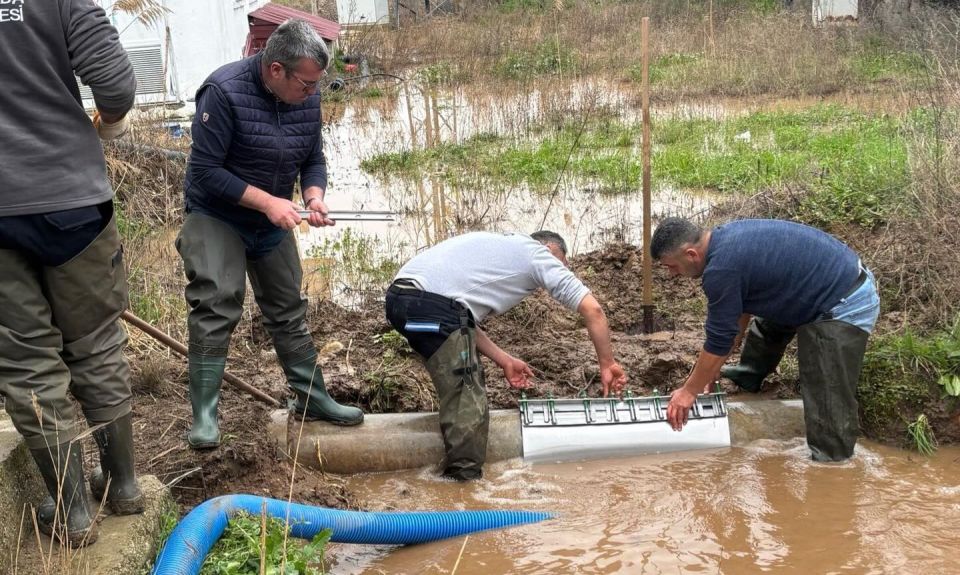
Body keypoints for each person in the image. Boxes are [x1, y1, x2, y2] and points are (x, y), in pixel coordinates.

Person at [177, 19, 363, 449]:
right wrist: (268, 202)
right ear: (276, 70)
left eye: (318, 83)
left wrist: (314, 196)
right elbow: (205, 173)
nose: (313, 92)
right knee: (216, 300)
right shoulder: (222, 93)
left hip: (273, 217)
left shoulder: (305, 96)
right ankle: (205, 416)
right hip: (216, 214)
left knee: (287, 305)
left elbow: (312, 158)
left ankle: (312, 398)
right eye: (306, 83)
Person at [0, 0, 143, 547]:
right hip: (70, 199)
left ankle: (75, 514)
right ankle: (124, 486)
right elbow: (114, 83)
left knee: (26, 363)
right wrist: (109, 121)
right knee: (97, 342)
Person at [386, 231, 628, 481]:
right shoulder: (537, 256)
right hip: (427, 305)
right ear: (548, 248)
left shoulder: (505, 249)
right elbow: (593, 309)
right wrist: (608, 363)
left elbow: (460, 321)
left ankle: (451, 479)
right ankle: (463, 489)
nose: (561, 270)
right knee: (467, 401)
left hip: (402, 300)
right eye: (562, 263)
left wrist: (505, 360)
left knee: (461, 388)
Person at [650, 218, 880, 462]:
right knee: (769, 324)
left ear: (691, 254)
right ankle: (749, 376)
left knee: (826, 392)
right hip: (824, 280)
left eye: (672, 266)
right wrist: (712, 367)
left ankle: (833, 463)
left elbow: (719, 340)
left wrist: (688, 392)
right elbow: (737, 314)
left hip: (843, 303)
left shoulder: (721, 270)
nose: (672, 274)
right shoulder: (723, 240)